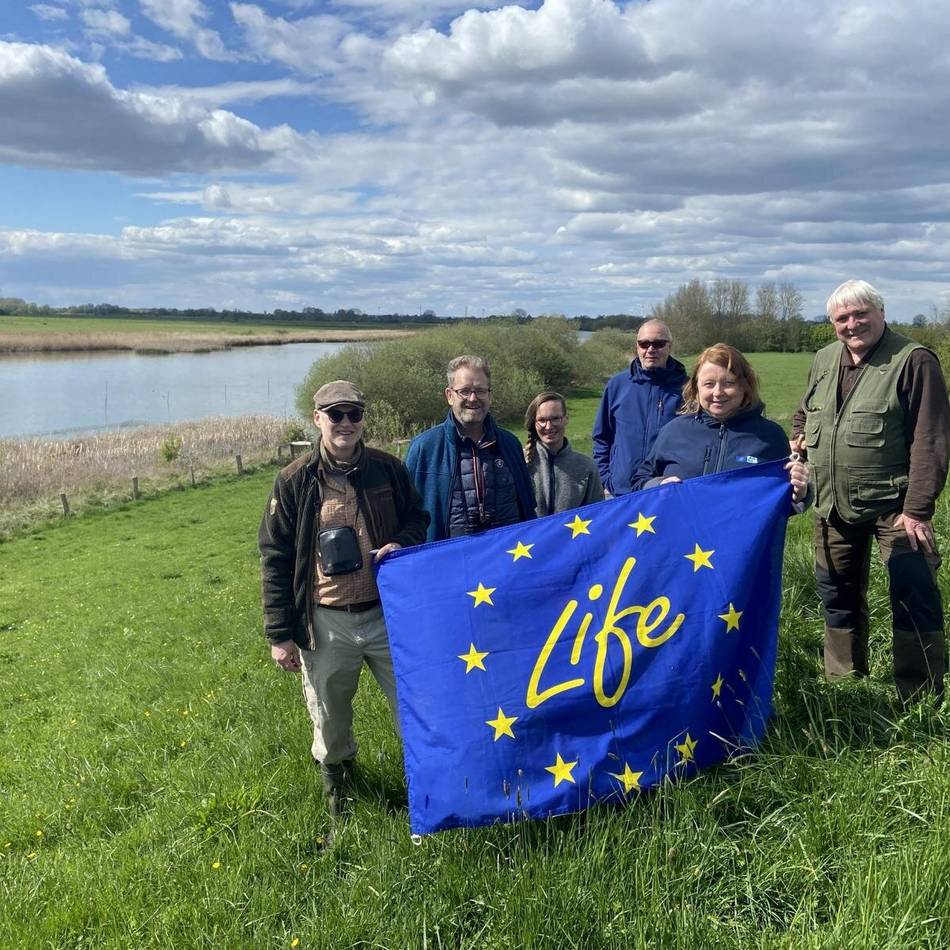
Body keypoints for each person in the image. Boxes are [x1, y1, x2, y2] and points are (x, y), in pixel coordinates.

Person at [258, 380, 429, 822]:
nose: (346, 423)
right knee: (330, 719)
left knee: (414, 707)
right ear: (317, 419)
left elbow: (418, 518)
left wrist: (400, 542)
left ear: (363, 419)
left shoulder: (388, 469)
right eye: (336, 415)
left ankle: (428, 784)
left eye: (354, 414)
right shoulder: (294, 481)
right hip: (326, 620)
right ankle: (340, 789)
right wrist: (280, 635)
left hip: (386, 614)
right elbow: (274, 557)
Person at [790, 279, 950, 705]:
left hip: (896, 507)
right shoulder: (825, 359)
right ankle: (845, 685)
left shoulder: (913, 360)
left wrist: (917, 509)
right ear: (832, 323)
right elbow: (805, 411)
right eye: (842, 317)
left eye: (861, 313)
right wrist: (800, 436)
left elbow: (931, 437)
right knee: (836, 594)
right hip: (832, 505)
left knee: (913, 594)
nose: (852, 323)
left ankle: (921, 694)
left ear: (881, 313)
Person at [630, 343, 809, 507]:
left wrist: (801, 494)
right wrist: (657, 485)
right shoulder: (674, 431)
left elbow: (784, 500)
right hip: (679, 539)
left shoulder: (770, 436)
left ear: (745, 386)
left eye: (728, 383)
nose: (718, 392)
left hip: (741, 541)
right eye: (709, 384)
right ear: (696, 388)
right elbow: (640, 480)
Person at [405, 354, 535, 541]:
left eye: (480, 390)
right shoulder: (424, 448)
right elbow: (407, 514)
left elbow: (528, 507)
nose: (473, 398)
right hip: (450, 561)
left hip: (507, 556)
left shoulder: (510, 444)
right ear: (450, 396)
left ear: (490, 395)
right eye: (464, 391)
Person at [592, 318, 688, 497]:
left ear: (670, 346)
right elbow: (602, 438)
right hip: (619, 493)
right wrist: (607, 479)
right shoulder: (617, 385)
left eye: (658, 344)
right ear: (636, 346)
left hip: (666, 492)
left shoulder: (687, 389)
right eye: (644, 344)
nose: (650, 349)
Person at [524, 391, 604, 515]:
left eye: (555, 418)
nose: (548, 426)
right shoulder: (521, 463)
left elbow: (597, 514)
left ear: (566, 419)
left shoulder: (586, 467)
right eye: (542, 420)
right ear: (534, 423)